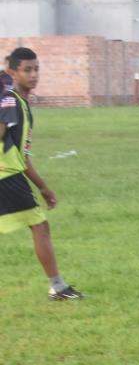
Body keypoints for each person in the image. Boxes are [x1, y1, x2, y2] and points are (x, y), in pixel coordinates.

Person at [1, 48, 83, 300]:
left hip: (11, 172)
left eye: (36, 69)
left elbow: (23, 156)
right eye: (27, 70)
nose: (33, 74)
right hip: (7, 176)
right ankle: (57, 287)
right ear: (13, 72)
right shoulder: (11, 100)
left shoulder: (19, 102)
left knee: (40, 226)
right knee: (40, 226)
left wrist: (43, 187)